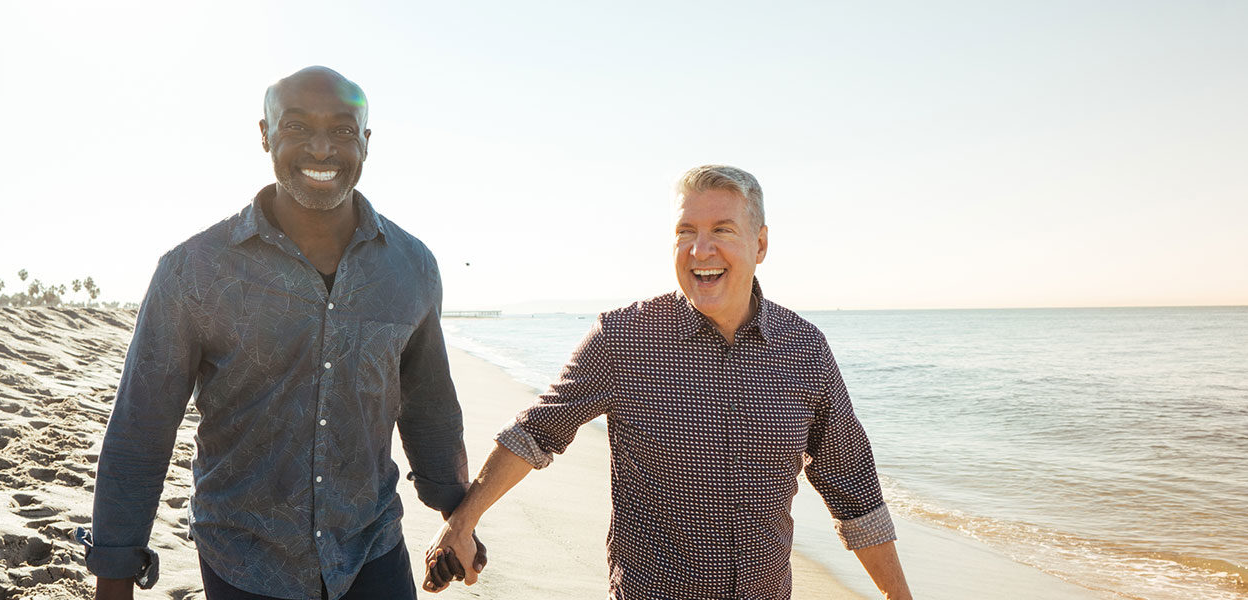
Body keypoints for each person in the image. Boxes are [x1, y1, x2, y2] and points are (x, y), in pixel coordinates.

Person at [82, 66, 483, 600]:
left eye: (343, 130)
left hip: (372, 548)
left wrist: (459, 517)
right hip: (245, 561)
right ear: (266, 134)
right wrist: (114, 574)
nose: (321, 149)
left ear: (366, 142)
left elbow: (429, 405)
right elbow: (141, 428)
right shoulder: (194, 271)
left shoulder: (411, 267)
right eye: (296, 127)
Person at [425, 165, 913, 599]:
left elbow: (854, 488)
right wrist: (461, 524)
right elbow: (536, 431)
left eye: (722, 229)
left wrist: (898, 595)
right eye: (686, 232)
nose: (701, 250)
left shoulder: (805, 350)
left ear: (760, 244)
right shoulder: (624, 336)